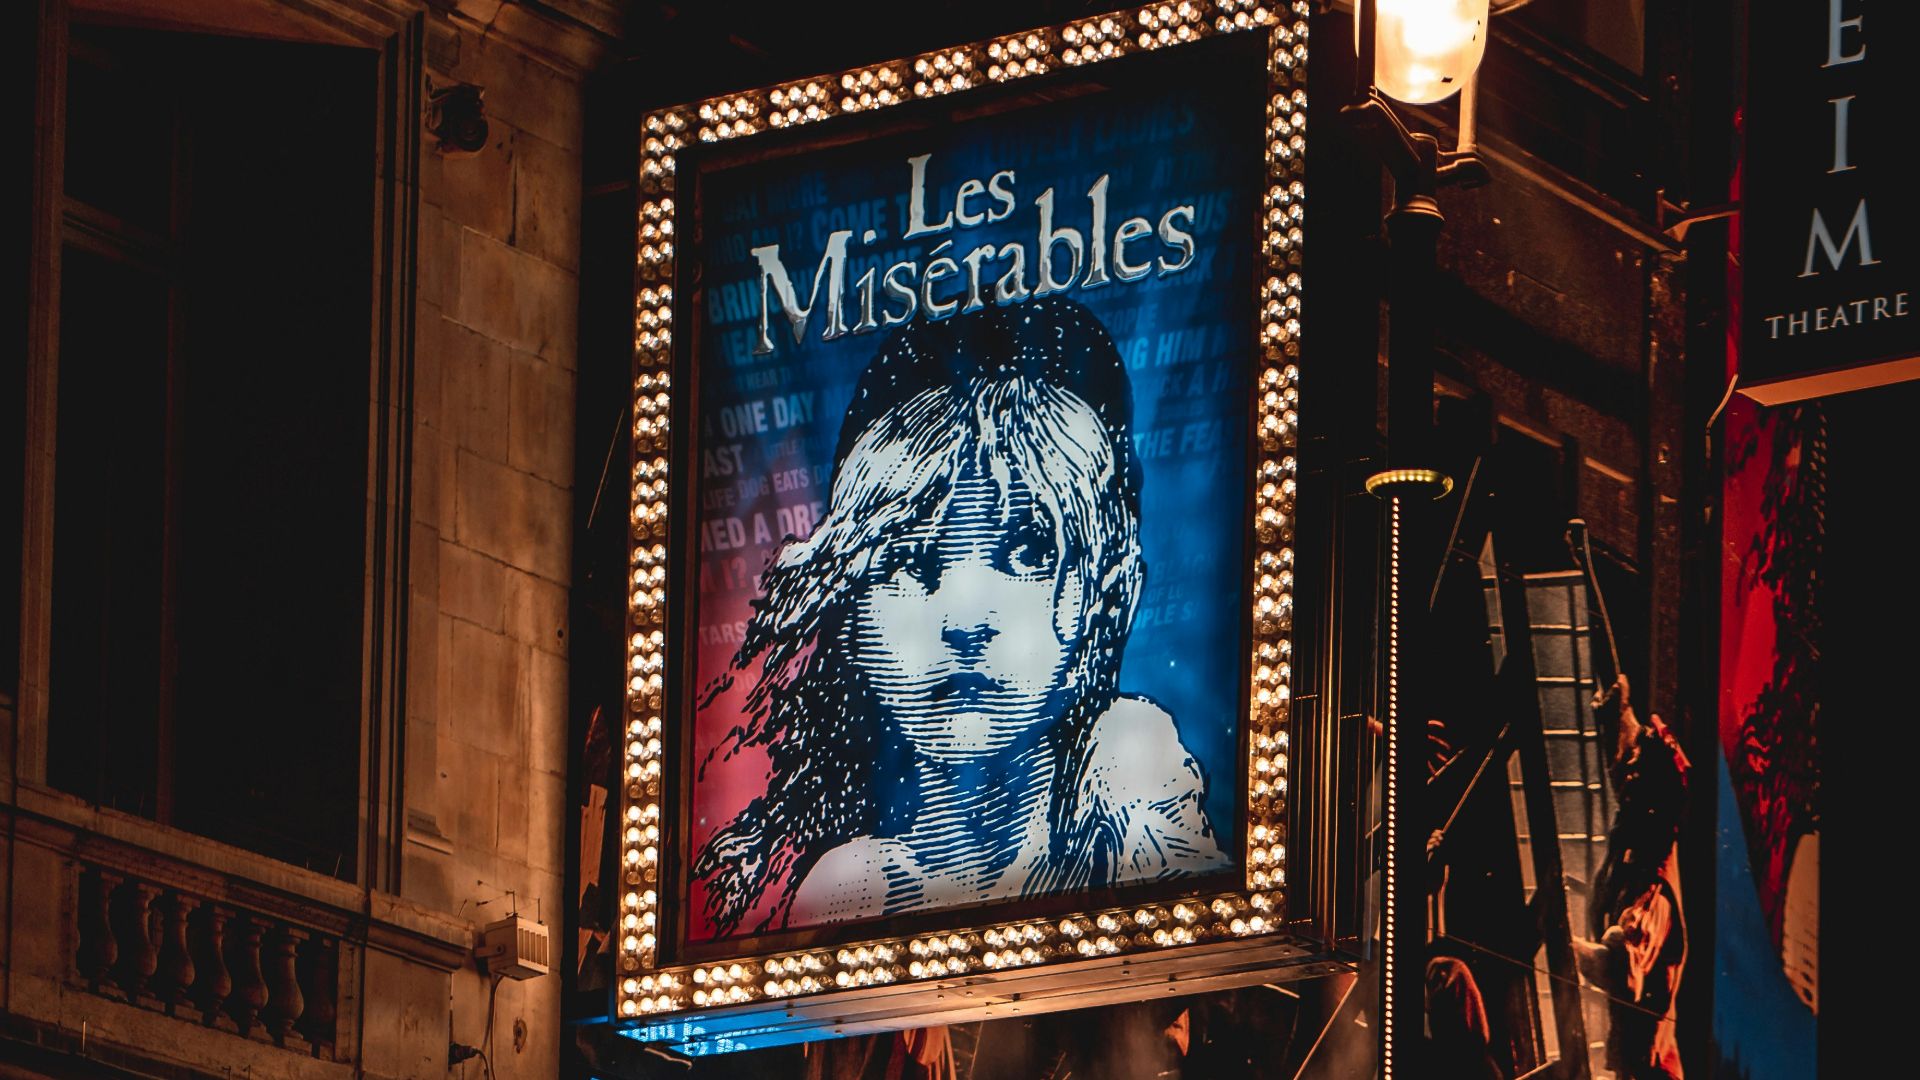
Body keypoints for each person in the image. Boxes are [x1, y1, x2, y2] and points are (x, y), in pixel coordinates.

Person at [691, 296, 1225, 937]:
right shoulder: (848, 889)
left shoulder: (1132, 769)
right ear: (850, 603)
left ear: (1104, 587)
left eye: (1028, 548)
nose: (967, 620)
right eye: (912, 560)